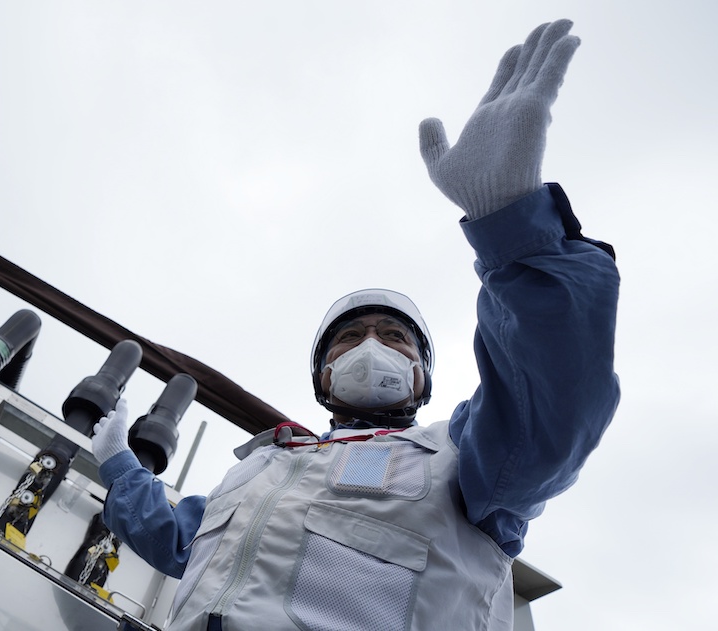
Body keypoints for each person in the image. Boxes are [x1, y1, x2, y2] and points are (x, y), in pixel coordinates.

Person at [90, 19, 620, 631]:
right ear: (323, 374)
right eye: (349, 336)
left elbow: (554, 393)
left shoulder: (467, 457)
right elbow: (174, 538)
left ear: (423, 375)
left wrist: (512, 227)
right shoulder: (258, 473)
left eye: (394, 337)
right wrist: (118, 465)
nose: (371, 346)